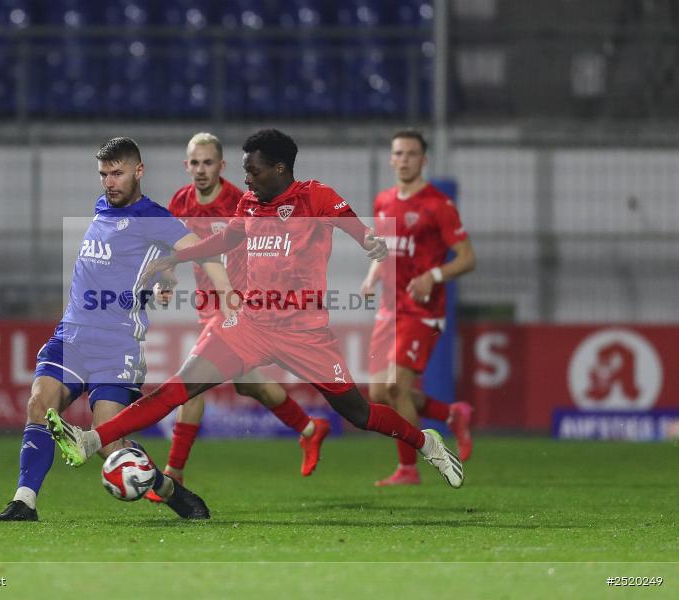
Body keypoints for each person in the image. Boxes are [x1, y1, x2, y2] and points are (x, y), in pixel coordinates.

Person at [45, 129, 465, 495]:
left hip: (304, 333)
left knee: (359, 413)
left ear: (280, 169)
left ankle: (426, 443)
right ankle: (90, 441)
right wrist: (173, 259)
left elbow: (356, 227)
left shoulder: (315, 196)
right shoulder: (248, 203)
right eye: (245, 170)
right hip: (250, 324)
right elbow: (225, 241)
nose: (246, 179)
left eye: (254, 170)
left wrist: (369, 240)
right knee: (176, 389)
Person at [0, 137, 229, 521]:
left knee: (107, 441)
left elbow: (203, 249)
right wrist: (162, 275)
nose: (109, 182)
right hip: (71, 335)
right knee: (39, 404)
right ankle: (24, 501)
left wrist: (226, 293)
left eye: (117, 173)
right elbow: (134, 258)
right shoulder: (103, 206)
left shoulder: (154, 217)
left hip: (117, 345)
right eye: (103, 174)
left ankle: (168, 489)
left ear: (139, 171)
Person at [145, 133, 330, 502]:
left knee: (191, 381)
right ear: (186, 166)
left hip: (240, 303)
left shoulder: (239, 199)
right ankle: (310, 429)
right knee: (248, 384)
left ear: (221, 166)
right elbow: (173, 246)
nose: (201, 169)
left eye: (208, 162)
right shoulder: (180, 201)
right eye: (195, 163)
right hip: (207, 304)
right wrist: (166, 279)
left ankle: (173, 473)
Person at [361, 129, 476, 487]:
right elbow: (384, 249)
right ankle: (450, 414)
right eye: (399, 153)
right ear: (391, 159)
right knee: (378, 394)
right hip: (389, 308)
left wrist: (434, 275)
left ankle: (408, 468)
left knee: (396, 387)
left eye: (412, 154)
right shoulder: (383, 201)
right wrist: (371, 276)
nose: (404, 159)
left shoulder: (438, 205)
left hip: (422, 310)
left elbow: (467, 258)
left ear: (424, 160)